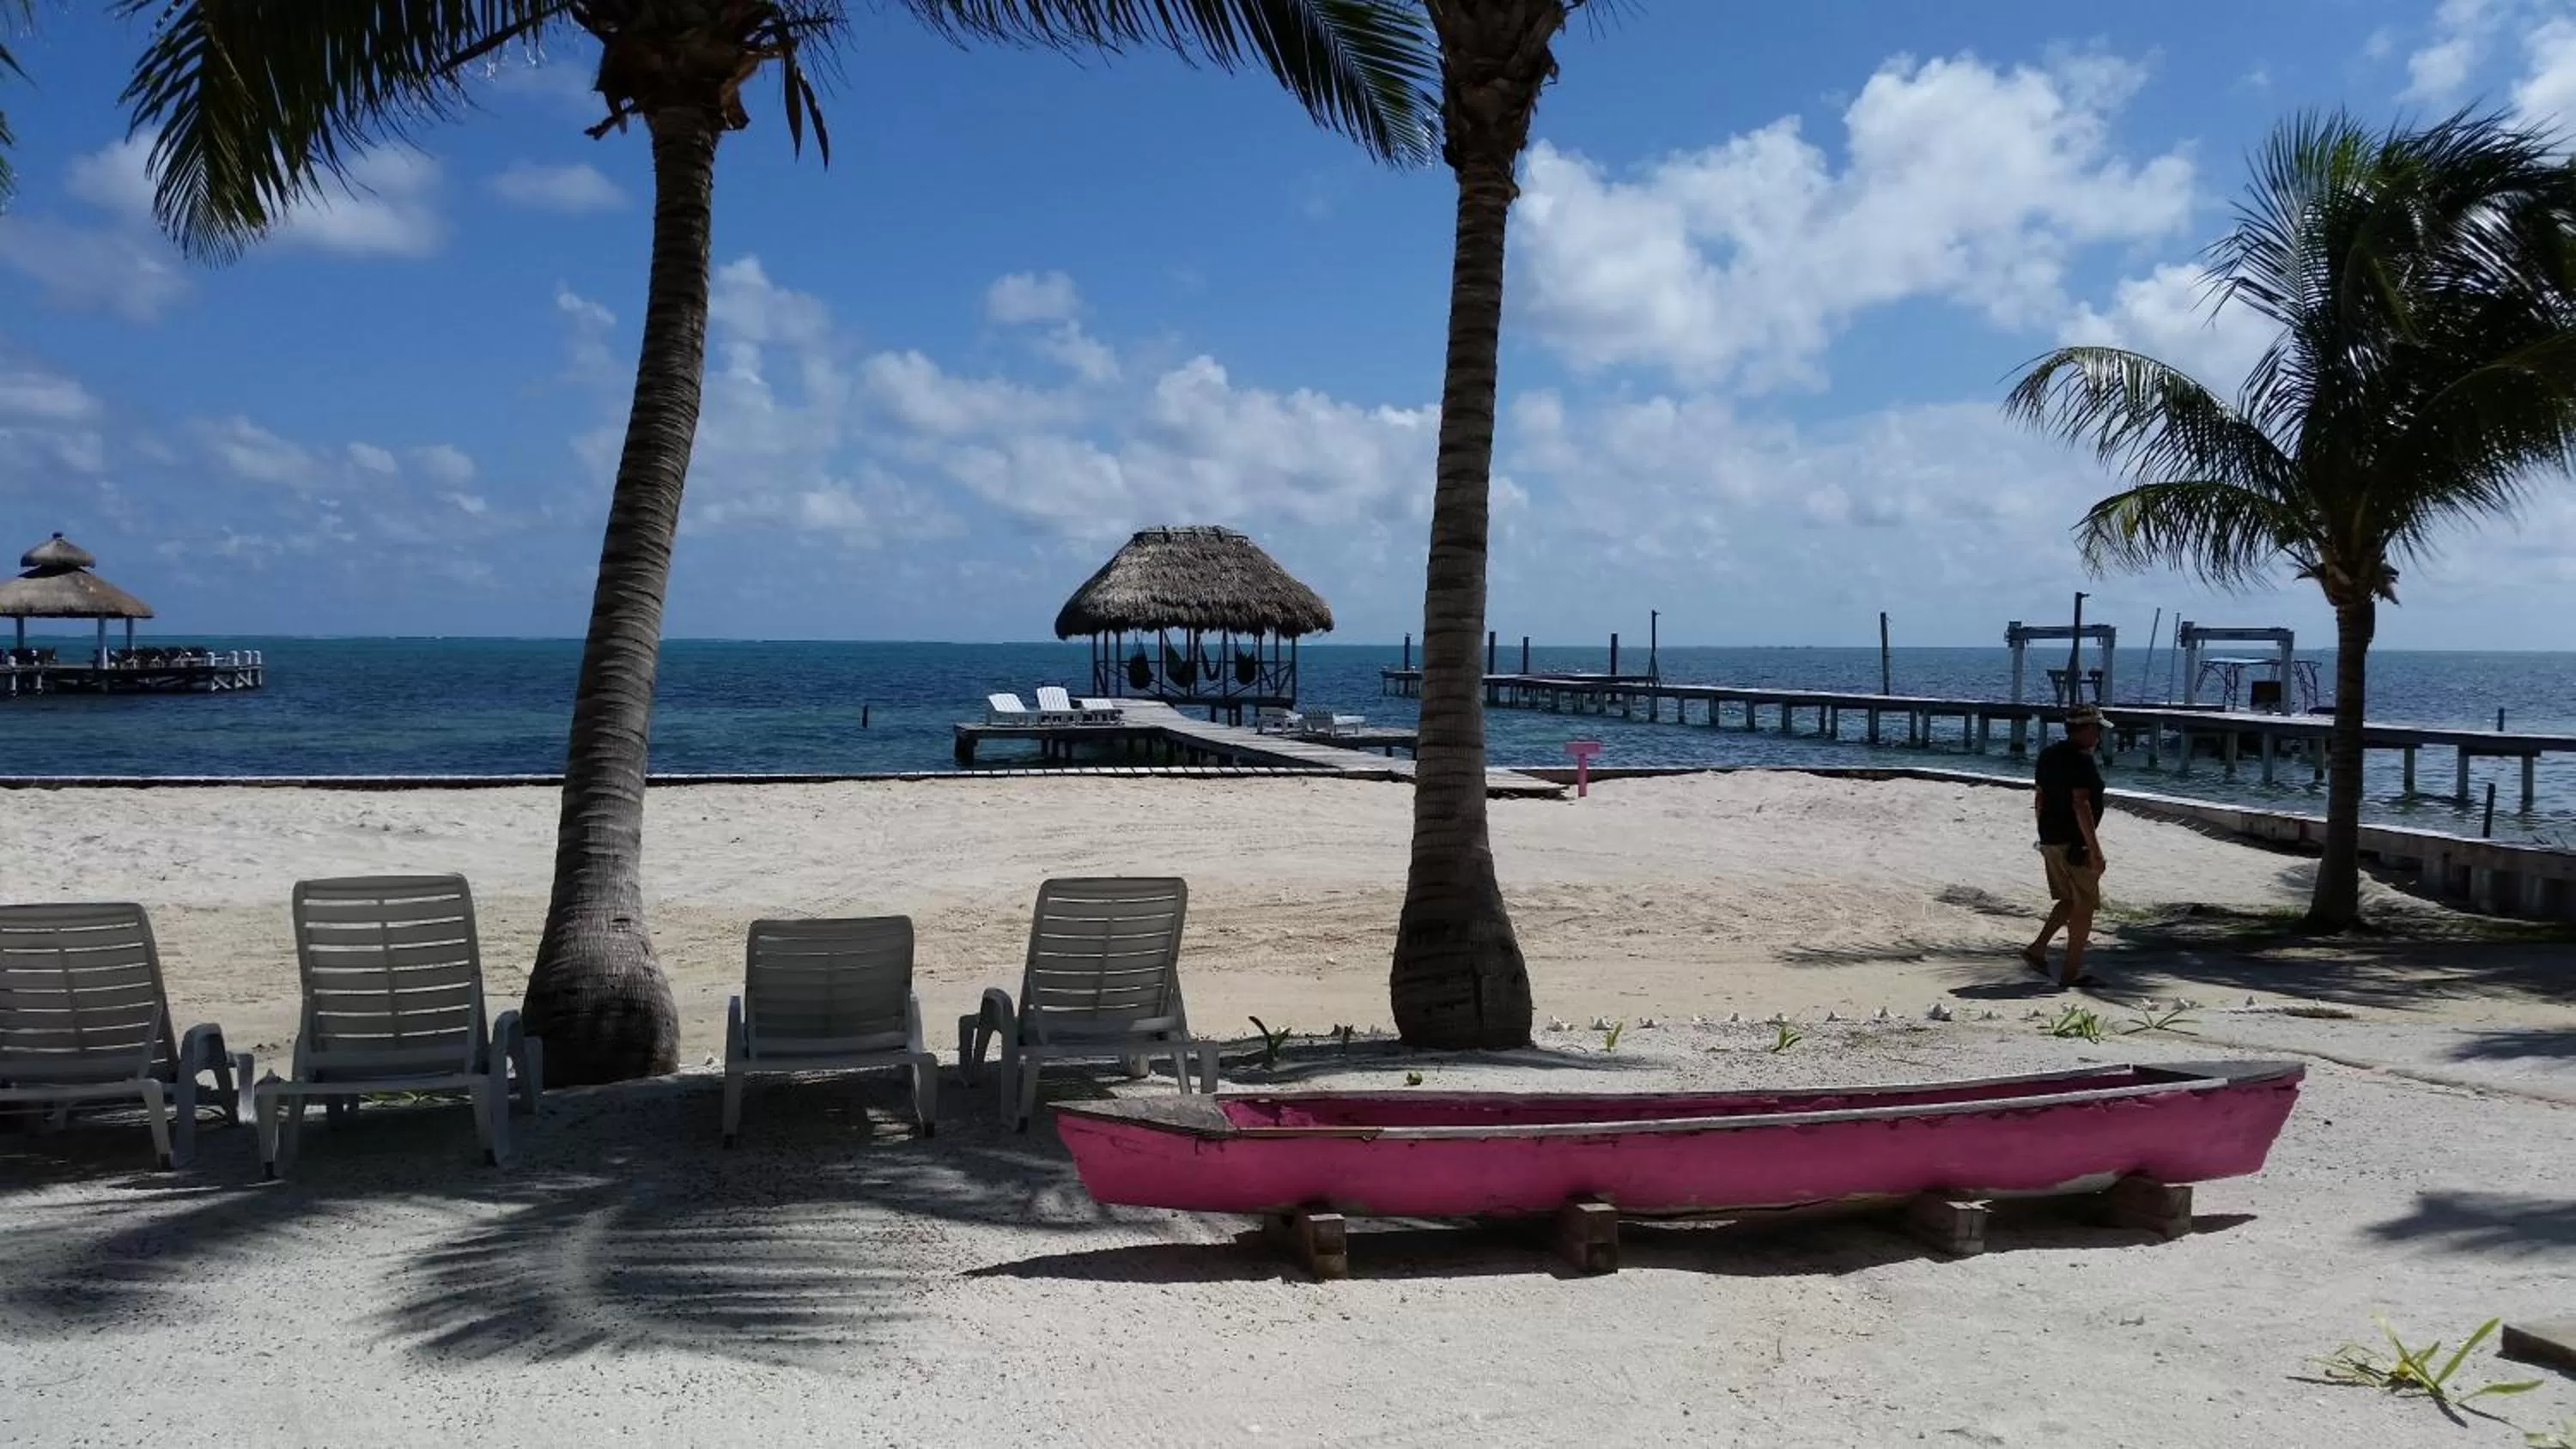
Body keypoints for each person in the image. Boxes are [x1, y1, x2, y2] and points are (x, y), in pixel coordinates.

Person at [2023, 705, 2108, 988]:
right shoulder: (2081, 761)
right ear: (2085, 730)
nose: (2098, 735)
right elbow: (2081, 804)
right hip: (2074, 843)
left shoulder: (2048, 756)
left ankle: (2037, 949)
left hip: (2051, 838)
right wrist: (2094, 850)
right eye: (2096, 729)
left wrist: (2043, 835)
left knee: (2070, 900)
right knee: (2084, 907)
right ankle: (2070, 975)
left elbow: (2039, 799)